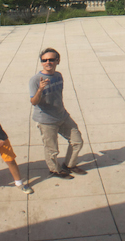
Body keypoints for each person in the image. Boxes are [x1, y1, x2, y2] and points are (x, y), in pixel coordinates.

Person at [29, 48, 86, 179]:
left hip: (62, 116)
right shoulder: (35, 80)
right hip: (46, 120)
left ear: (57, 61)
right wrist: (40, 90)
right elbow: (34, 102)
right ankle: (55, 170)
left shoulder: (58, 76)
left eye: (51, 59)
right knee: (52, 149)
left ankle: (70, 165)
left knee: (77, 141)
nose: (48, 62)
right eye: (44, 60)